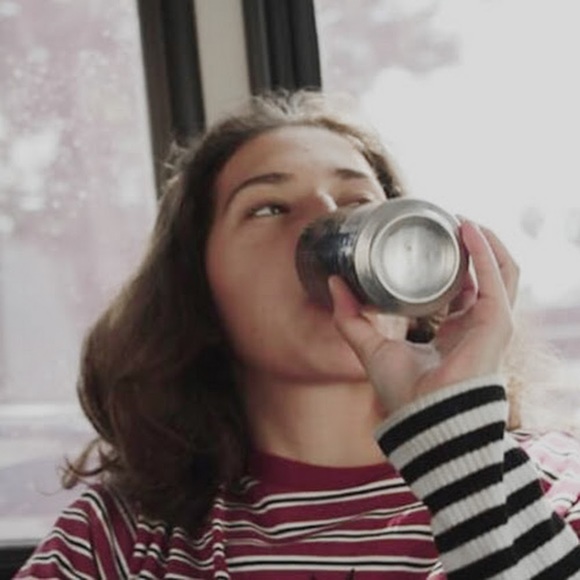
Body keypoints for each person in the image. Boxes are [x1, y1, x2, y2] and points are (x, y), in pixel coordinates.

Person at [15, 89, 580, 579]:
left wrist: (457, 439)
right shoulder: (121, 542)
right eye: (268, 208)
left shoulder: (554, 486)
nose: (325, 221)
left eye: (358, 203)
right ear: (197, 288)